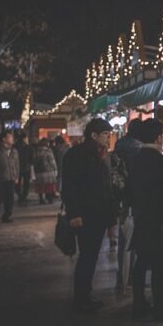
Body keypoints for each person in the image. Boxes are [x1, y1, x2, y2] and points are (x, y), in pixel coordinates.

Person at [126, 119, 163, 322]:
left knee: (142, 262)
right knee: (160, 264)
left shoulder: (136, 159)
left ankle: (139, 304)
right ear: (159, 136)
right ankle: (160, 306)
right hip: (159, 218)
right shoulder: (161, 162)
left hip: (142, 217)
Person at [62, 118, 118, 312]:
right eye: (105, 134)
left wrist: (111, 217)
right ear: (93, 135)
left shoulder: (103, 154)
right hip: (85, 214)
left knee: (91, 255)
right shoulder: (76, 154)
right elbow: (70, 187)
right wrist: (74, 213)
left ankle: (85, 293)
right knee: (87, 255)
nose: (108, 137)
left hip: (101, 213)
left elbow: (107, 187)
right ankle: (81, 297)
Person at [113, 118, 144, 281]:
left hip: (122, 196)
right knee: (135, 237)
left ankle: (122, 273)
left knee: (124, 235)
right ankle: (132, 274)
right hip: (135, 197)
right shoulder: (137, 147)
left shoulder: (119, 144)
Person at [33, 138, 59, 204]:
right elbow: (52, 161)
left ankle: (41, 199)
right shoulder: (48, 151)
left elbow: (34, 161)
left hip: (39, 171)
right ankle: (50, 199)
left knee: (40, 186)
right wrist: (55, 169)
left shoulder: (36, 151)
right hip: (48, 171)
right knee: (49, 186)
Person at [14, 133, 33, 205]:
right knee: (26, 183)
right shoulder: (28, 147)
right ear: (24, 139)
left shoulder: (15, 147)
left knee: (17, 183)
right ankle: (23, 196)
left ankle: (20, 196)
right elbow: (32, 158)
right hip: (26, 167)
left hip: (17, 167)